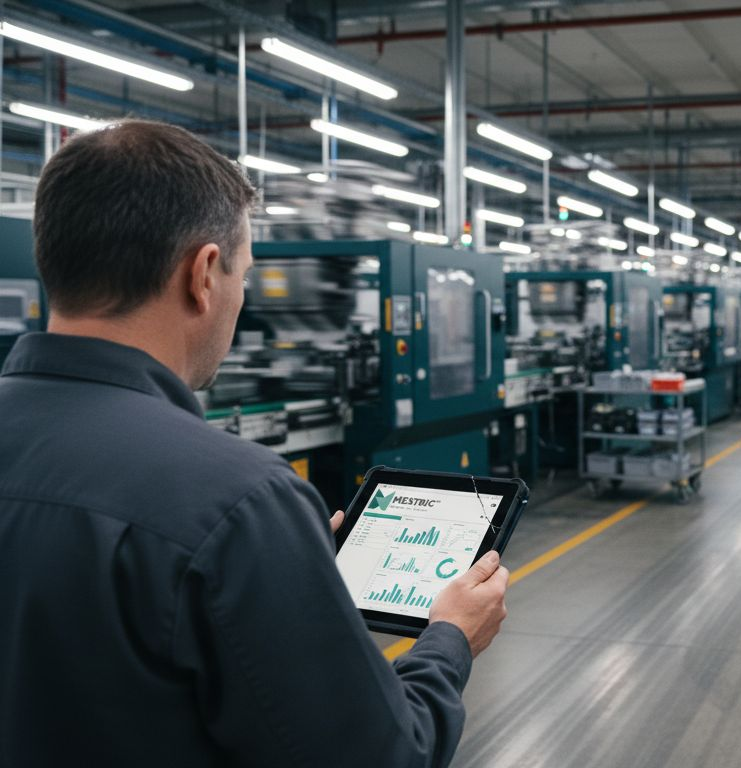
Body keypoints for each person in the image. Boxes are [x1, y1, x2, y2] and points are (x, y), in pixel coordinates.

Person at [0, 121, 508, 766]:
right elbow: (382, 755)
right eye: (243, 273)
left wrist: (279, 569)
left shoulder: (241, 520)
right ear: (204, 274)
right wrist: (449, 639)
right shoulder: (237, 500)